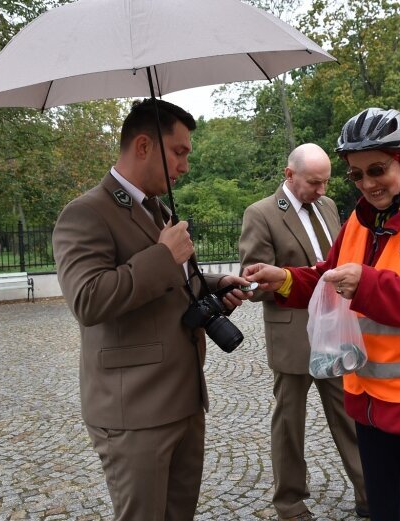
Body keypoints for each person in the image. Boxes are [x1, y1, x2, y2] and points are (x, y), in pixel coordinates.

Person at [243, 108, 400, 521]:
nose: (368, 184)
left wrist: (367, 284)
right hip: (370, 401)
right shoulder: (358, 221)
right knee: (383, 510)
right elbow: (326, 277)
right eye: (356, 175)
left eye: (378, 169)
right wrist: (282, 279)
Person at [52, 98, 252, 520]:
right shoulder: (85, 213)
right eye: (179, 152)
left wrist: (217, 285)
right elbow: (88, 299)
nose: (184, 166)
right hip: (135, 412)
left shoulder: (156, 209)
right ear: (143, 146)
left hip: (183, 399)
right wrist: (163, 255)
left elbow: (172, 282)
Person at [238, 143, 368, 521]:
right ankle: (290, 503)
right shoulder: (260, 214)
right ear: (289, 175)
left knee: (349, 414)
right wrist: (286, 281)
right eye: (315, 183)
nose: (323, 191)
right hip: (292, 335)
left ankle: (368, 492)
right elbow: (251, 281)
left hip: (333, 329)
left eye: (326, 182)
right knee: (289, 424)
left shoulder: (327, 207)